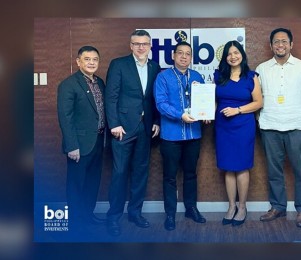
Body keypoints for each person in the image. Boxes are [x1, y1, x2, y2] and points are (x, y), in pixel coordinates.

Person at [256, 28, 301, 227]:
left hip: (297, 127)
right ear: (270, 45)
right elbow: (257, 97)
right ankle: (278, 207)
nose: (280, 45)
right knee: (274, 171)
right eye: (276, 41)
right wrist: (259, 119)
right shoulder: (262, 68)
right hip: (270, 127)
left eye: (284, 41)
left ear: (291, 44)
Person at [105, 29, 161, 236]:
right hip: (122, 129)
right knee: (119, 173)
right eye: (136, 43)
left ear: (150, 46)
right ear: (130, 46)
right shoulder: (118, 64)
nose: (140, 47)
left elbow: (155, 98)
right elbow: (110, 97)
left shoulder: (155, 67)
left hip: (146, 128)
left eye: (144, 43)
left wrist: (156, 121)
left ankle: (135, 213)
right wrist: (114, 124)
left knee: (140, 173)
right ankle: (113, 217)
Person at [154, 41, 207, 231]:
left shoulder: (197, 76)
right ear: (174, 56)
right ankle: (170, 214)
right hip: (171, 135)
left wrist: (205, 114)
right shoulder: (163, 77)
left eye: (188, 54)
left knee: (191, 174)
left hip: (193, 135)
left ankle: (191, 208)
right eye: (181, 53)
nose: (184, 57)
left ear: (191, 57)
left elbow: (204, 101)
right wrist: (180, 115)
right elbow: (161, 104)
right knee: (170, 176)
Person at [57, 46, 106, 232]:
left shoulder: (100, 82)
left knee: (93, 182)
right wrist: (72, 146)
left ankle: (88, 215)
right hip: (79, 145)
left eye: (95, 59)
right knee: (76, 184)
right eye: (87, 59)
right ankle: (75, 223)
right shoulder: (69, 84)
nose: (91, 62)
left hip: (99, 142)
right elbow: (65, 117)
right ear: (78, 62)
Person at [214, 40, 263, 226]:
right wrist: (207, 113)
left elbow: (259, 102)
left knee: (242, 166)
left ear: (242, 54)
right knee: (228, 166)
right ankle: (231, 206)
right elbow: (214, 100)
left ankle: (242, 207)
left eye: (236, 52)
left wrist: (238, 110)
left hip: (243, 126)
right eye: (229, 54)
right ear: (225, 57)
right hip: (223, 127)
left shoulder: (251, 76)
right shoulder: (219, 76)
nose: (233, 56)